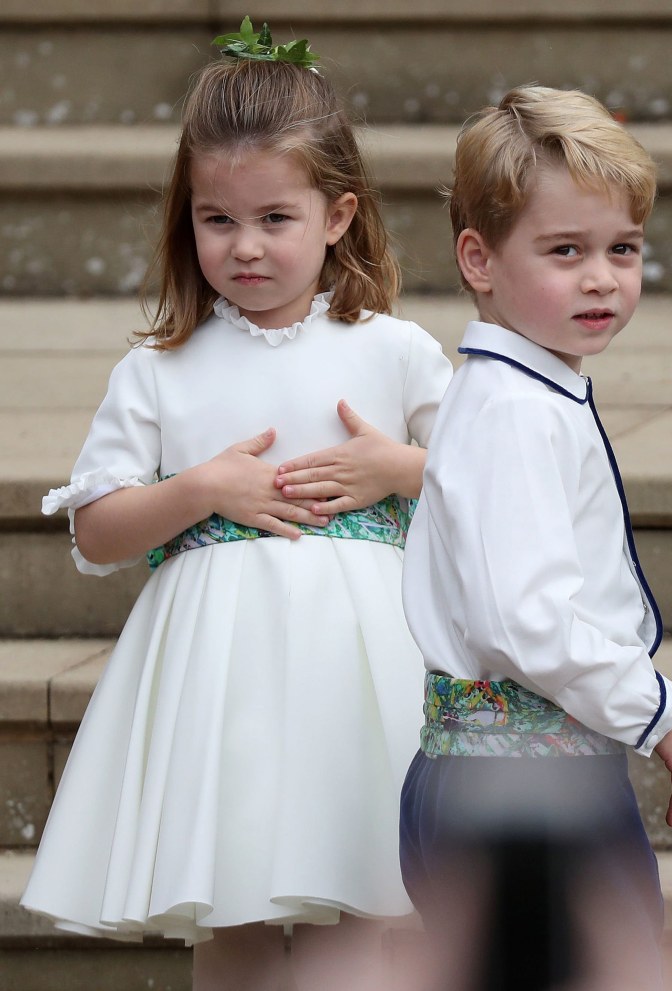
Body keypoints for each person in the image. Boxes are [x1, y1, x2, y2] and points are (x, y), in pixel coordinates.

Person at [21, 20, 452, 991]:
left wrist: (397, 468)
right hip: (221, 682)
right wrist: (199, 489)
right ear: (188, 218)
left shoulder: (391, 349)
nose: (245, 247)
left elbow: (490, 481)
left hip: (360, 668)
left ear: (337, 216)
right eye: (218, 221)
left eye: (274, 220)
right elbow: (97, 529)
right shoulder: (160, 370)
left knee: (356, 891)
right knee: (235, 897)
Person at [399, 86, 672, 990]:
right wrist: (652, 705)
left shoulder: (517, 391)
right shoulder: (515, 413)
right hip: (524, 789)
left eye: (623, 249)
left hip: (511, 773)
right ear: (478, 259)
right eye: (565, 251)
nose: (602, 277)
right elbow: (523, 618)